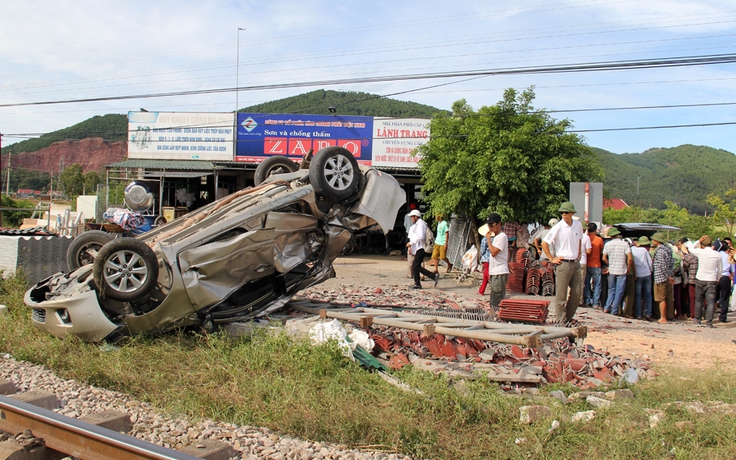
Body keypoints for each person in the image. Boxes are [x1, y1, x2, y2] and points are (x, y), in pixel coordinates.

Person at [542, 202, 584, 324]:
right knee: (561, 294)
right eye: (562, 213)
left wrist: (579, 253)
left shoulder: (578, 225)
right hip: (563, 263)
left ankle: (568, 317)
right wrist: (551, 258)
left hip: (575, 262)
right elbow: (545, 243)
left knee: (577, 293)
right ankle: (561, 320)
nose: (564, 215)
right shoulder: (558, 227)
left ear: (572, 213)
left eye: (566, 212)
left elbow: (579, 239)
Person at [682, 236, 721, 327]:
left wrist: (698, 240)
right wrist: (717, 279)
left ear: (702, 245)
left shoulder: (701, 252)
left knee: (698, 300)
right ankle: (709, 322)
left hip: (700, 278)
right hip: (711, 279)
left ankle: (698, 320)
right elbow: (720, 269)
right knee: (710, 301)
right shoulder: (717, 254)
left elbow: (690, 248)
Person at [405, 209, 439, 289]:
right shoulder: (417, 224)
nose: (411, 219)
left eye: (412, 217)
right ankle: (417, 283)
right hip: (418, 247)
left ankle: (433, 275)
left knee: (416, 266)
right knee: (415, 265)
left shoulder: (421, 224)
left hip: (421, 247)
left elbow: (421, 237)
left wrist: (411, 243)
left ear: (416, 217)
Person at [602, 228, 632, 316]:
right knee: (619, 291)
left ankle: (607, 307)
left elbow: (604, 258)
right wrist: (628, 267)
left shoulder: (608, 244)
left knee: (611, 290)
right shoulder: (625, 244)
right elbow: (630, 258)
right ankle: (614, 310)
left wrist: (609, 264)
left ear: (611, 236)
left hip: (612, 270)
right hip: (622, 270)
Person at [486, 213, 510, 316]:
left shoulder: (501, 236)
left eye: (492, 225)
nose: (490, 227)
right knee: (493, 297)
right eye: (488, 225)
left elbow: (493, 252)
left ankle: (495, 317)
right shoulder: (497, 237)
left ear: (499, 224)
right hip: (496, 271)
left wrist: (488, 240)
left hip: (499, 271)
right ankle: (493, 315)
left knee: (496, 298)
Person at [651, 232, 675, 324]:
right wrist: (670, 275)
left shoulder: (660, 251)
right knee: (668, 297)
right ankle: (669, 315)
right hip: (667, 275)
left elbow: (662, 265)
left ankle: (663, 318)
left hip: (660, 277)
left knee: (661, 298)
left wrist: (667, 276)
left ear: (657, 241)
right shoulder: (668, 249)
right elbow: (671, 263)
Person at [631, 236, 653, 319]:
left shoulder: (632, 249)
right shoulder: (644, 250)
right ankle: (648, 313)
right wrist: (651, 271)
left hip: (638, 274)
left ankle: (638, 314)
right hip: (646, 274)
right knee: (648, 294)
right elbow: (650, 262)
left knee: (638, 295)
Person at [584, 223, 604, 308]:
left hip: (586, 263)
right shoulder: (599, 240)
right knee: (597, 285)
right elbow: (602, 251)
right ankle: (595, 302)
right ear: (595, 230)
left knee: (586, 283)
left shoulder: (585, 238)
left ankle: (587, 301)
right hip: (596, 264)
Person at [680, 237, 698, 319]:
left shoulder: (689, 257)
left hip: (690, 279)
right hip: (700, 279)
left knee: (690, 298)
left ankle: (691, 314)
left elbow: (684, 268)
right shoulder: (699, 256)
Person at [579, 223, 592, 306]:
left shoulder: (574, 235)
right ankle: (579, 300)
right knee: (580, 282)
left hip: (574, 261)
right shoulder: (586, 237)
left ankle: (568, 299)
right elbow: (589, 251)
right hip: (582, 262)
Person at [478, 223, 491, 295]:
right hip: (493, 259)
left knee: (486, 274)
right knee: (486, 275)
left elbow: (482, 250)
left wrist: (481, 256)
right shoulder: (496, 238)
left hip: (486, 259)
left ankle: (482, 290)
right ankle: (481, 290)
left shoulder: (484, 239)